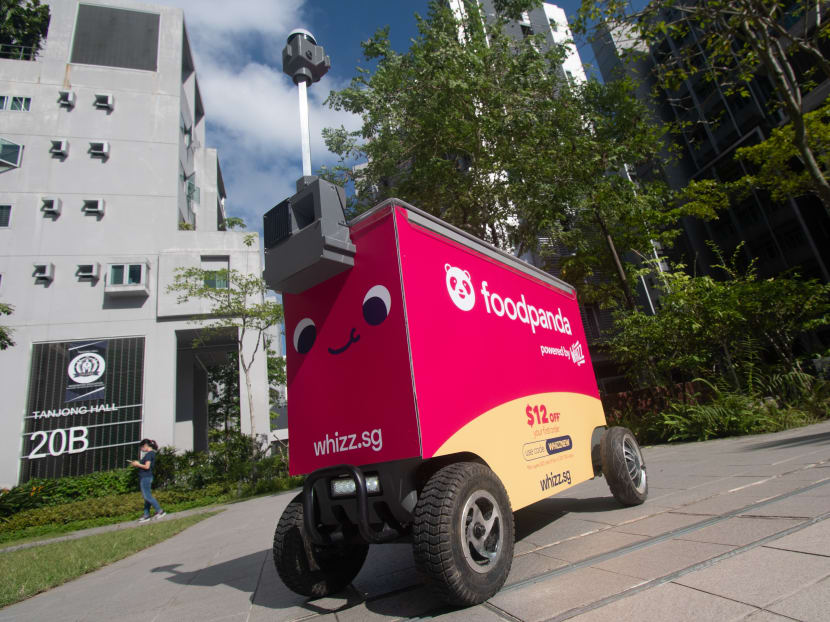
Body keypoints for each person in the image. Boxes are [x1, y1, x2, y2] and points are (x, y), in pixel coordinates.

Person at [129, 439, 166, 522]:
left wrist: (137, 464)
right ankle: (146, 515)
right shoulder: (151, 454)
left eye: (141, 448)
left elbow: (147, 467)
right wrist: (137, 464)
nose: (141, 450)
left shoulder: (149, 454)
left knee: (147, 496)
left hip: (146, 477)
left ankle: (160, 511)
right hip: (146, 477)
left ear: (145, 446)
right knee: (147, 497)